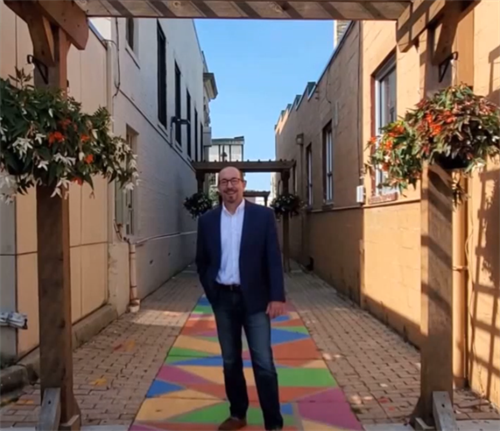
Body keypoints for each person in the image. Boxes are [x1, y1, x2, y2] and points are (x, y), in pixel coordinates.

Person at [196, 166, 286, 431]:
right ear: (218, 187)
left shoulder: (263, 216)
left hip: (256, 301)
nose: (230, 186)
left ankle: (273, 423)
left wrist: (276, 296)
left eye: (234, 180)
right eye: (224, 182)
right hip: (223, 299)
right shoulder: (207, 221)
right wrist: (212, 293)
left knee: (263, 362)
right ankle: (238, 414)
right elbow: (202, 261)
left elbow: (273, 258)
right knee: (230, 361)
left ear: (243, 184)